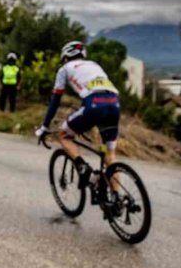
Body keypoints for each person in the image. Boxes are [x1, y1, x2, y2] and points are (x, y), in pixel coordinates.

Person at [35, 41, 121, 188]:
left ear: (65, 57)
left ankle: (83, 167)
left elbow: (55, 101)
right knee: (110, 155)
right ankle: (117, 197)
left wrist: (44, 127)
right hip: (114, 104)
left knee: (63, 135)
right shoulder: (95, 65)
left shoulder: (64, 69)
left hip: (94, 105)